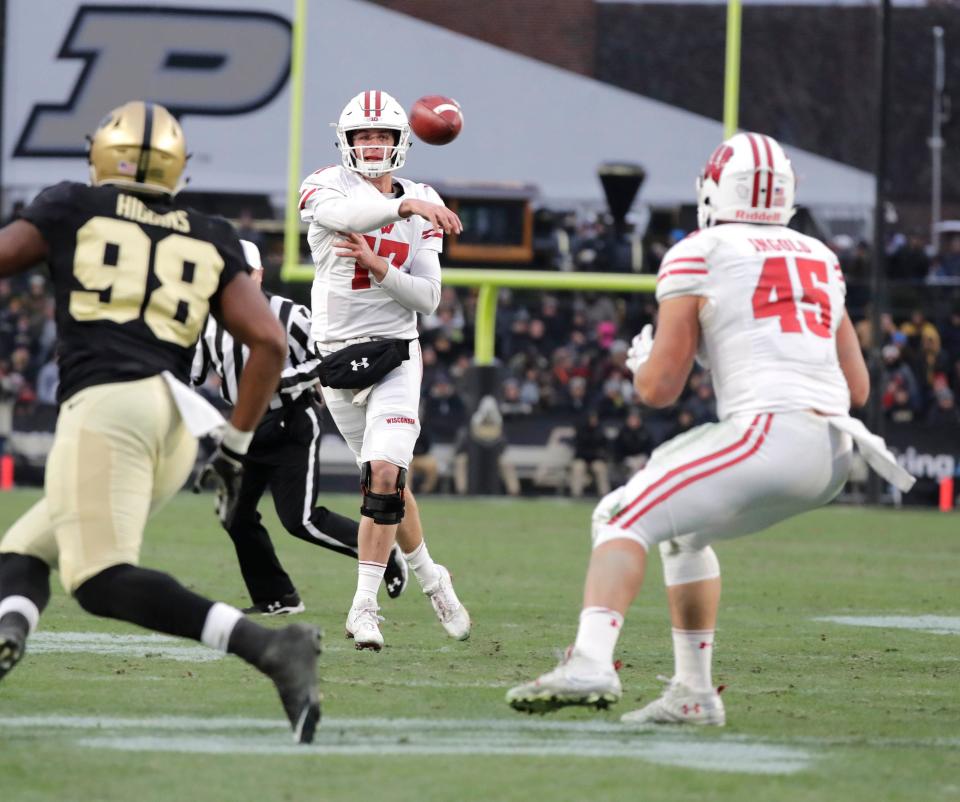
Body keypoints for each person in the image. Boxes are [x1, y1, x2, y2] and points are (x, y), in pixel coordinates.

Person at [506, 132, 915, 725]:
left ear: (715, 190)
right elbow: (858, 389)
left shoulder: (699, 249)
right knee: (684, 531)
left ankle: (592, 660)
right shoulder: (819, 256)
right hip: (834, 451)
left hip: (770, 435)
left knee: (619, 515)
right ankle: (693, 693)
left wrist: (643, 363)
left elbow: (660, 390)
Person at [0, 101, 320, 743]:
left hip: (109, 406)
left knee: (97, 580)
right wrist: (233, 445)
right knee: (21, 552)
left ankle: (271, 648)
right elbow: (268, 342)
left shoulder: (72, 205)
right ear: (177, 169)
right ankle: (9, 630)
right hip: (176, 418)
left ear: (100, 155)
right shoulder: (211, 232)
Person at [298, 89, 470, 650]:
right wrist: (402, 208)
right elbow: (344, 215)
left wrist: (379, 267)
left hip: (397, 351)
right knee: (386, 478)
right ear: (345, 142)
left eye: (383, 135)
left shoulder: (423, 199)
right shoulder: (325, 186)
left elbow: (426, 298)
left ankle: (363, 608)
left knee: (384, 473)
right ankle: (431, 577)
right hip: (339, 358)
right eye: (363, 136)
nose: (373, 145)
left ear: (402, 141)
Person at [191, 240, 408, 614]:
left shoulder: (288, 314)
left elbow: (326, 359)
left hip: (291, 421)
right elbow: (191, 374)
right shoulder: (207, 323)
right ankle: (278, 597)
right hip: (246, 427)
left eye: (244, 274)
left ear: (259, 275)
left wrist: (280, 380)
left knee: (301, 521)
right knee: (235, 515)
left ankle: (383, 553)